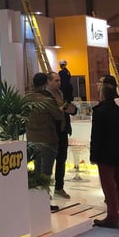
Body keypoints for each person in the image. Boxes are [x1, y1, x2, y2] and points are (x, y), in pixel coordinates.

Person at [90, 83, 119, 229]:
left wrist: (93, 155)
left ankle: (112, 216)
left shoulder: (100, 111)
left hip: (105, 154)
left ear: (103, 94)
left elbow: (96, 136)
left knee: (109, 186)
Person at [26, 72, 65, 180]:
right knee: (46, 174)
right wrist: (62, 108)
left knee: (37, 170)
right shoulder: (47, 99)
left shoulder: (27, 98)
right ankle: (44, 190)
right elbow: (58, 116)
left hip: (32, 139)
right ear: (46, 83)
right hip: (47, 139)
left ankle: (38, 190)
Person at [48, 71, 77, 199]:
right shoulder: (46, 96)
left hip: (63, 131)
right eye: (56, 80)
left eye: (59, 80)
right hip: (51, 132)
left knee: (61, 160)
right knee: (49, 162)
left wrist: (71, 110)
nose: (59, 83)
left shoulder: (61, 93)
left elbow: (66, 110)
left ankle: (59, 187)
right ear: (48, 82)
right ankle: (45, 190)